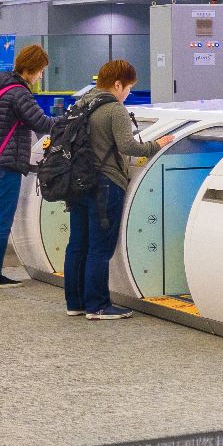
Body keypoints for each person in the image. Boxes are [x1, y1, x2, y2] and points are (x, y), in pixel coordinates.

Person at [64, 60, 171, 321]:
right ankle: (98, 305)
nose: (128, 93)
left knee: (78, 244)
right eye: (129, 88)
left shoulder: (81, 103)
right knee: (100, 248)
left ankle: (75, 302)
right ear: (117, 84)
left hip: (77, 183)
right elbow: (127, 146)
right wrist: (157, 144)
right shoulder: (114, 109)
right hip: (106, 184)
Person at [0, 44, 54, 288]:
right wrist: (70, 121)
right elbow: (42, 122)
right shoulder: (19, 93)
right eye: (40, 71)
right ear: (32, 69)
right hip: (8, 163)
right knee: (2, 219)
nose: (40, 77)